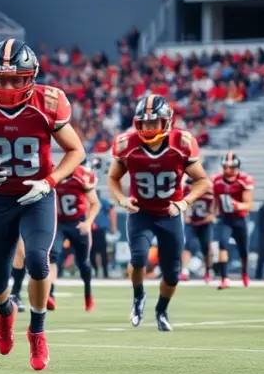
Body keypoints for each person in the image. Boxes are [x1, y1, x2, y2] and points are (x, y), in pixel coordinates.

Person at [0, 39, 85, 371]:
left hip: (37, 195)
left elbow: (76, 151)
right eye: (1, 79)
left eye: (17, 79)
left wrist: (50, 181)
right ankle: (6, 311)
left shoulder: (48, 103)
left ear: (31, 77)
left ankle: (37, 331)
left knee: (38, 260)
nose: (8, 86)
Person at [108, 94, 211, 330]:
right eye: (144, 122)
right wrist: (122, 199)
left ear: (166, 122)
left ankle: (161, 310)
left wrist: (184, 203)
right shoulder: (127, 144)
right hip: (140, 212)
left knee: (173, 273)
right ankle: (138, 296)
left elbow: (203, 181)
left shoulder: (181, 143)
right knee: (138, 258)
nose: (149, 127)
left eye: (154, 122)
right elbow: (113, 177)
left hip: (170, 214)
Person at [49, 162, 99, 311]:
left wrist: (88, 223)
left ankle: (88, 295)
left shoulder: (81, 177)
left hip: (77, 223)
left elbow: (95, 203)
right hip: (59, 224)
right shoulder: (52, 177)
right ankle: (50, 294)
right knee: (52, 256)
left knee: (83, 263)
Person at [212, 152, 254, 288]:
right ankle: (224, 278)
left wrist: (238, 205)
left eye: (230, 167)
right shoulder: (217, 180)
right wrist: (213, 213)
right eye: (225, 167)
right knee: (222, 245)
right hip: (225, 218)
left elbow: (249, 204)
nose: (227, 170)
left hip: (240, 218)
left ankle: (245, 273)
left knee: (243, 250)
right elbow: (215, 200)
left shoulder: (243, 180)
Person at [182, 175, 215, 282]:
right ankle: (184, 271)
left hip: (205, 223)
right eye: (189, 184)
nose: (190, 186)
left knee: (206, 247)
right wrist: (185, 215)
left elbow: (217, 203)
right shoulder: (185, 190)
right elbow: (180, 203)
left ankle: (208, 271)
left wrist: (213, 214)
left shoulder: (209, 191)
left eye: (193, 184)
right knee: (187, 245)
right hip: (191, 222)